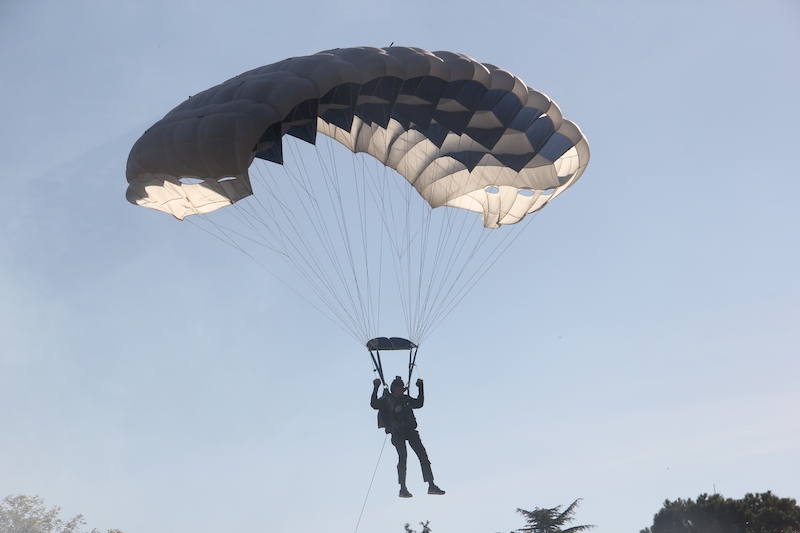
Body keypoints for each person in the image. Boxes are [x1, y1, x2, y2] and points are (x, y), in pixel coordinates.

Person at [371, 375, 445, 498]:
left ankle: (431, 485)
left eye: (401, 387)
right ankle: (403, 488)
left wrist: (420, 387)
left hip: (410, 431)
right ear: (393, 389)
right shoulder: (387, 400)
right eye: (398, 388)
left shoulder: (406, 399)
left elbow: (419, 403)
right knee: (403, 458)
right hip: (397, 432)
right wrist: (376, 387)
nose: (400, 390)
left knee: (423, 456)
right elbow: (374, 404)